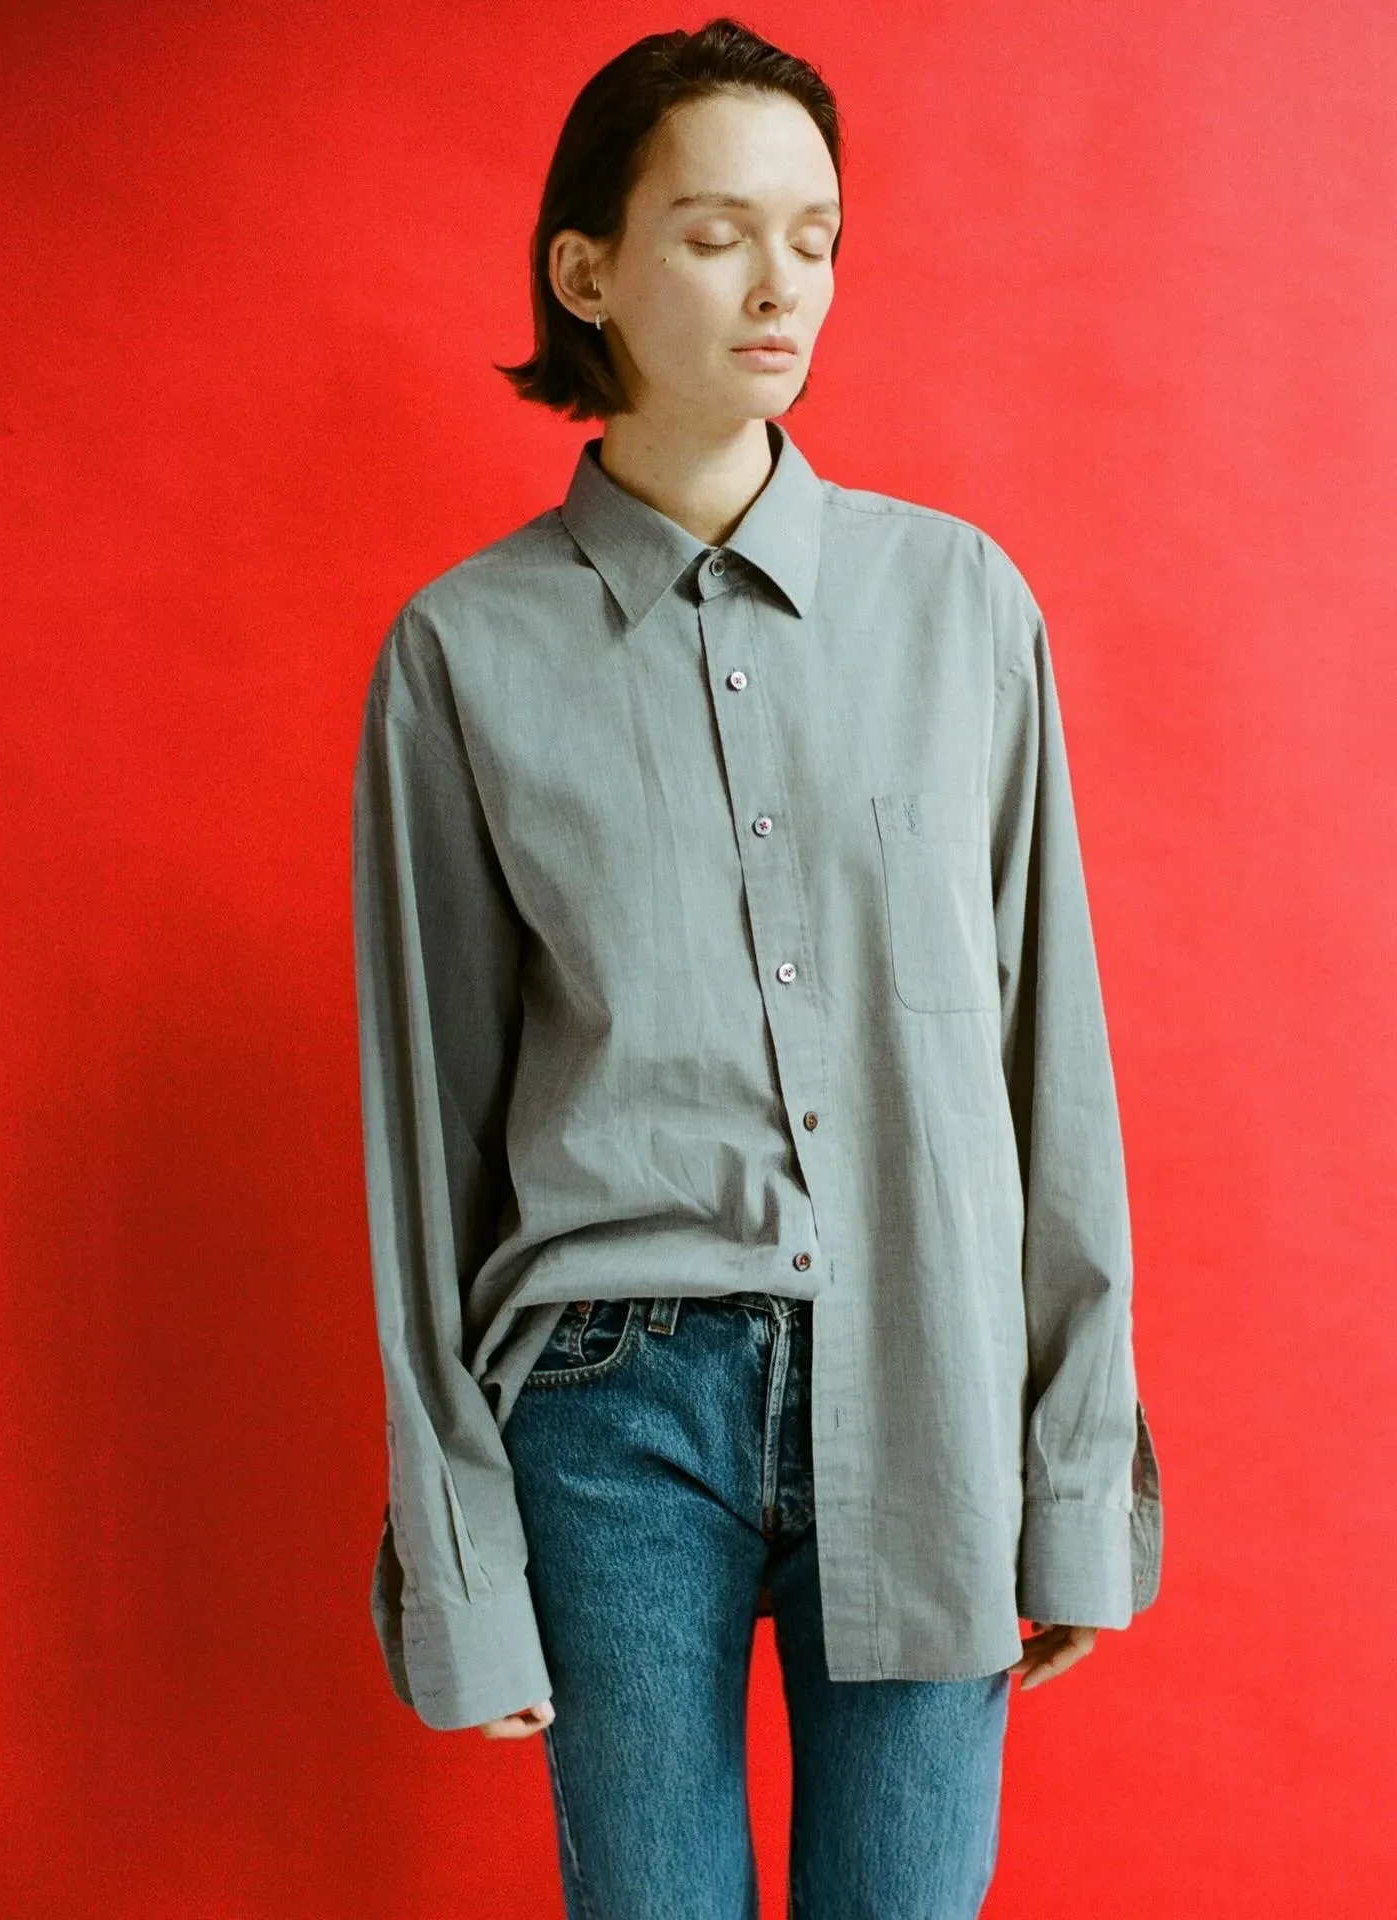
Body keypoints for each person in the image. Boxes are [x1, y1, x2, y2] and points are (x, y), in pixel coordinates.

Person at [350, 16, 1163, 1918]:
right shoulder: (461, 654)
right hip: (613, 1404)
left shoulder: (962, 605)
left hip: (931, 1370)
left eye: (816, 235)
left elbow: (1049, 1061)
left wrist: (1075, 1476)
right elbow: (425, 1133)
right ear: (588, 272)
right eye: (718, 234)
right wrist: (461, 1554)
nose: (781, 283)